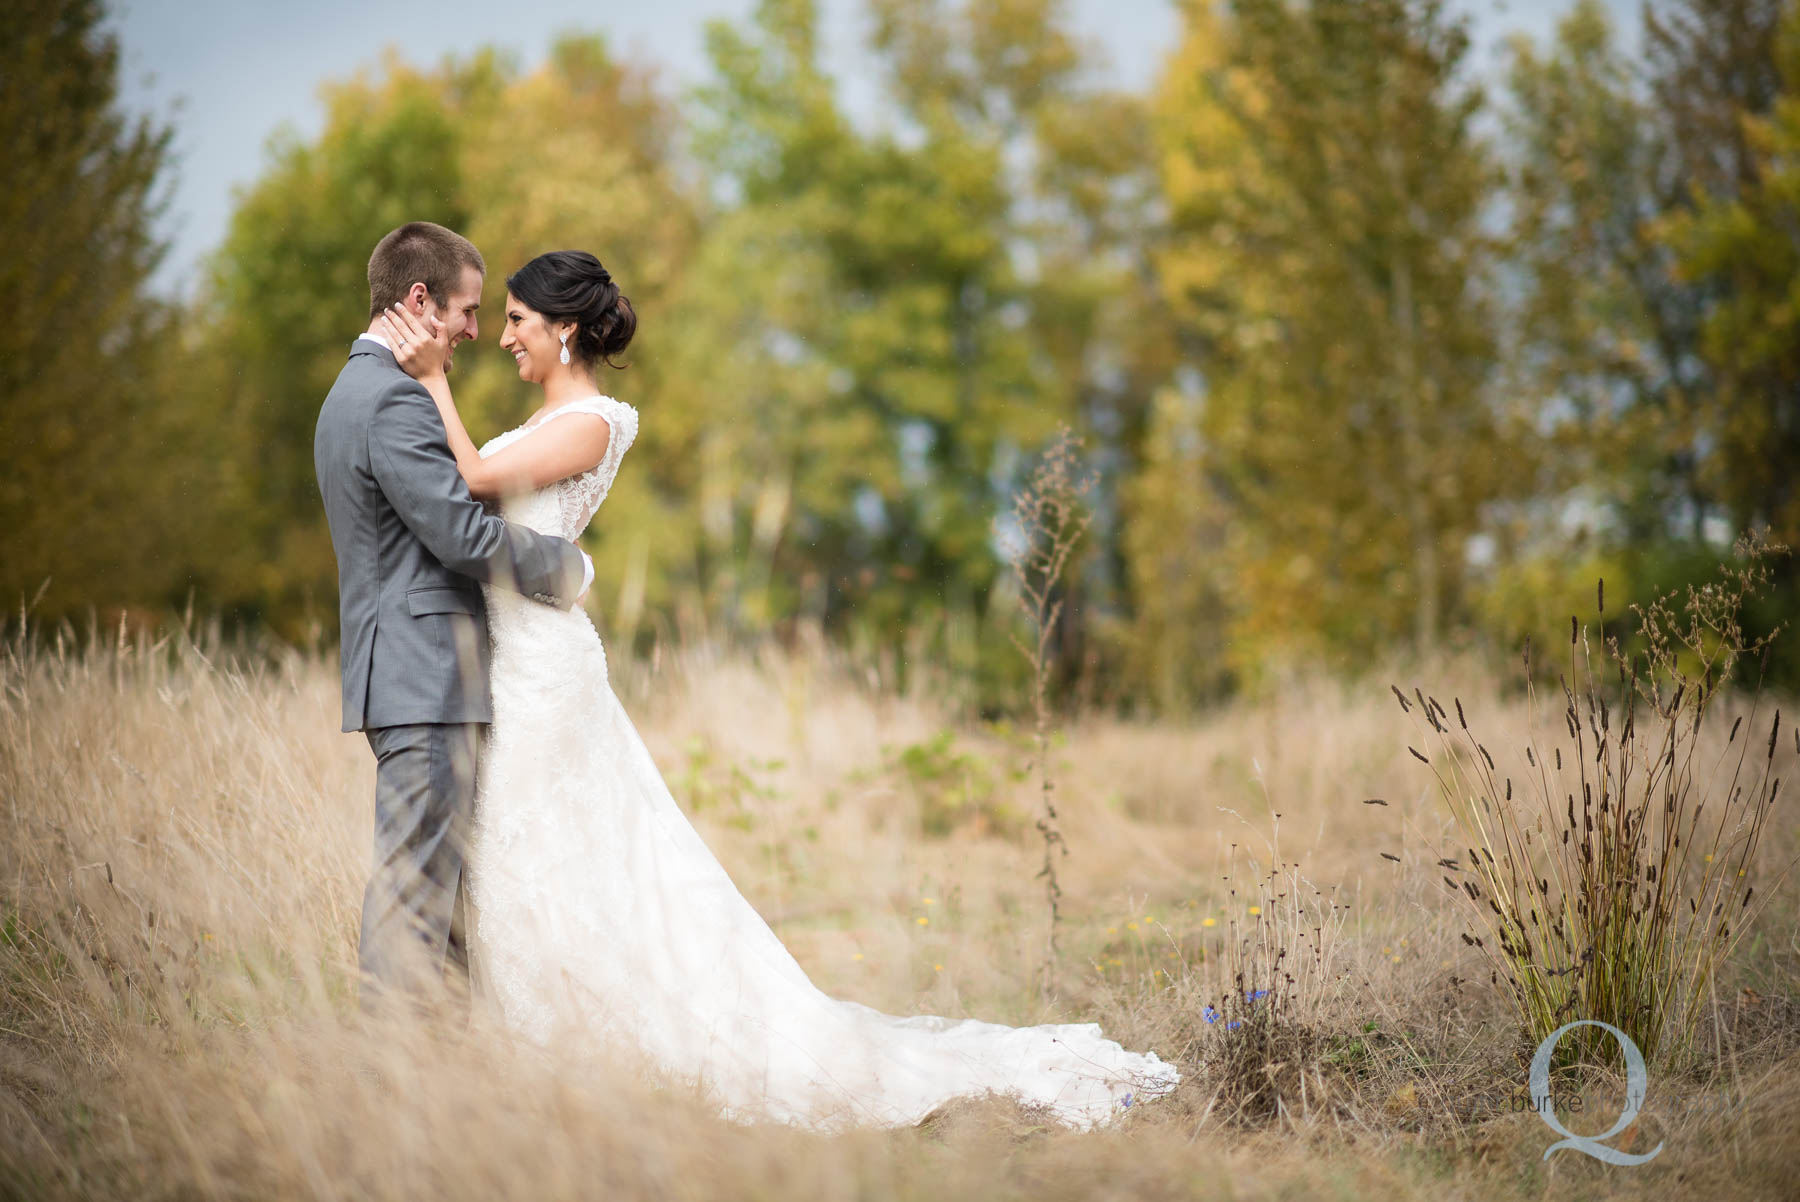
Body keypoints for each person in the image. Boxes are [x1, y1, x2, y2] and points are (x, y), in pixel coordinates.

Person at [377, 248, 1181, 1132]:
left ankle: (608, 1056)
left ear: (564, 328)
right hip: (512, 662)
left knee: (553, 851)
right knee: (526, 861)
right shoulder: (539, 420)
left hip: (547, 673)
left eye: (520, 322)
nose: (503, 338)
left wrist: (428, 385)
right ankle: (542, 1062)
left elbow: (475, 483)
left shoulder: (596, 423)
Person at [313, 222, 593, 1012]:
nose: (476, 329)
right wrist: (567, 566)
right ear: (418, 300)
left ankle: (444, 1078)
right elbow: (461, 533)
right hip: (424, 676)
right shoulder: (395, 399)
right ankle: (386, 1080)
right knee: (413, 893)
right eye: (468, 310)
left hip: (401, 672)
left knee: (442, 894)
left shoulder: (348, 392)